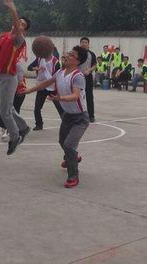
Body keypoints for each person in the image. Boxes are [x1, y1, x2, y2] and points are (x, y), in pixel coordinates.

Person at [23, 46, 90, 188]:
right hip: (67, 116)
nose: (67, 55)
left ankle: (73, 176)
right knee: (62, 141)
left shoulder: (78, 76)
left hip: (80, 119)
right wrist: (29, 90)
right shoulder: (60, 72)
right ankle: (73, 157)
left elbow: (75, 96)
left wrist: (60, 98)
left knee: (69, 145)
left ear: (77, 61)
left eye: (71, 55)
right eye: (68, 53)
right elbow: (45, 83)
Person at [0, 0, 31, 155]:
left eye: (22, 24)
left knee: (4, 111)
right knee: (6, 107)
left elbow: (16, 28)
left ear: (24, 30)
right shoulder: (5, 36)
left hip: (9, 77)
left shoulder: (19, 39)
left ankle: (15, 136)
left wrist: (13, 10)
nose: (19, 24)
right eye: (19, 22)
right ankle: (23, 127)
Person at [27, 54, 64, 131]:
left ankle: (66, 122)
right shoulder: (39, 58)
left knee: (59, 107)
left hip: (52, 87)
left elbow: (58, 75)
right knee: (37, 107)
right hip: (41, 86)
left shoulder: (55, 62)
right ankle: (39, 124)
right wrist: (37, 68)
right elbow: (29, 67)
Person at [79, 37, 98, 122]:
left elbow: (94, 65)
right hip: (78, 77)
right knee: (77, 96)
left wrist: (89, 70)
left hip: (88, 77)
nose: (84, 43)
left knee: (89, 96)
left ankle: (91, 116)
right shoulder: (76, 53)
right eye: (82, 42)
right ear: (80, 43)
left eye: (85, 42)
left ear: (88, 44)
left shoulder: (91, 54)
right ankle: (78, 116)